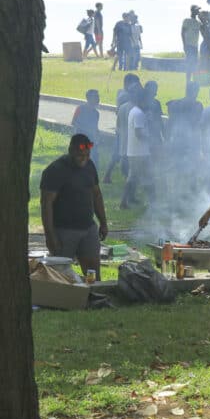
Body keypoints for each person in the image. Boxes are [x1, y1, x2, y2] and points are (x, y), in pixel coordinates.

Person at [41, 134, 108, 277]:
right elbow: (46, 204)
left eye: (87, 155)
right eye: (80, 155)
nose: (84, 158)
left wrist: (103, 222)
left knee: (93, 275)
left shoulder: (89, 166)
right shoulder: (55, 170)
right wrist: (50, 236)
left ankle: (93, 297)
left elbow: (96, 195)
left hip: (88, 229)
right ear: (70, 150)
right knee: (60, 276)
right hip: (64, 232)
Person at [103, 74, 142, 184]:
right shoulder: (124, 95)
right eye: (136, 82)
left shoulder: (123, 93)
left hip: (123, 127)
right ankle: (119, 177)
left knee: (117, 153)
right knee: (119, 153)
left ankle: (108, 176)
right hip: (124, 128)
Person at [121, 86, 152, 208]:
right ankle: (153, 203)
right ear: (142, 100)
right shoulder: (138, 113)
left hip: (135, 151)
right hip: (140, 152)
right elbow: (139, 133)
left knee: (132, 177)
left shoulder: (134, 111)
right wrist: (151, 140)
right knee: (148, 176)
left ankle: (124, 202)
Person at [71, 89, 101, 167]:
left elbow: (95, 128)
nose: (98, 98)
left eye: (98, 96)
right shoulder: (80, 109)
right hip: (80, 140)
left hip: (91, 140)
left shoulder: (96, 113)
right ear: (89, 98)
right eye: (96, 96)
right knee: (80, 159)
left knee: (93, 159)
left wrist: (97, 136)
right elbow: (73, 122)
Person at [181, 5, 202, 82]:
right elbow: (182, 32)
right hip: (188, 45)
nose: (198, 12)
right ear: (192, 11)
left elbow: (204, 30)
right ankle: (188, 81)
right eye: (196, 10)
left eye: (198, 10)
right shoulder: (187, 20)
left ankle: (194, 81)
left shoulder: (198, 23)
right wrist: (184, 45)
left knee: (194, 64)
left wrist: (202, 18)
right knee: (189, 64)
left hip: (195, 46)